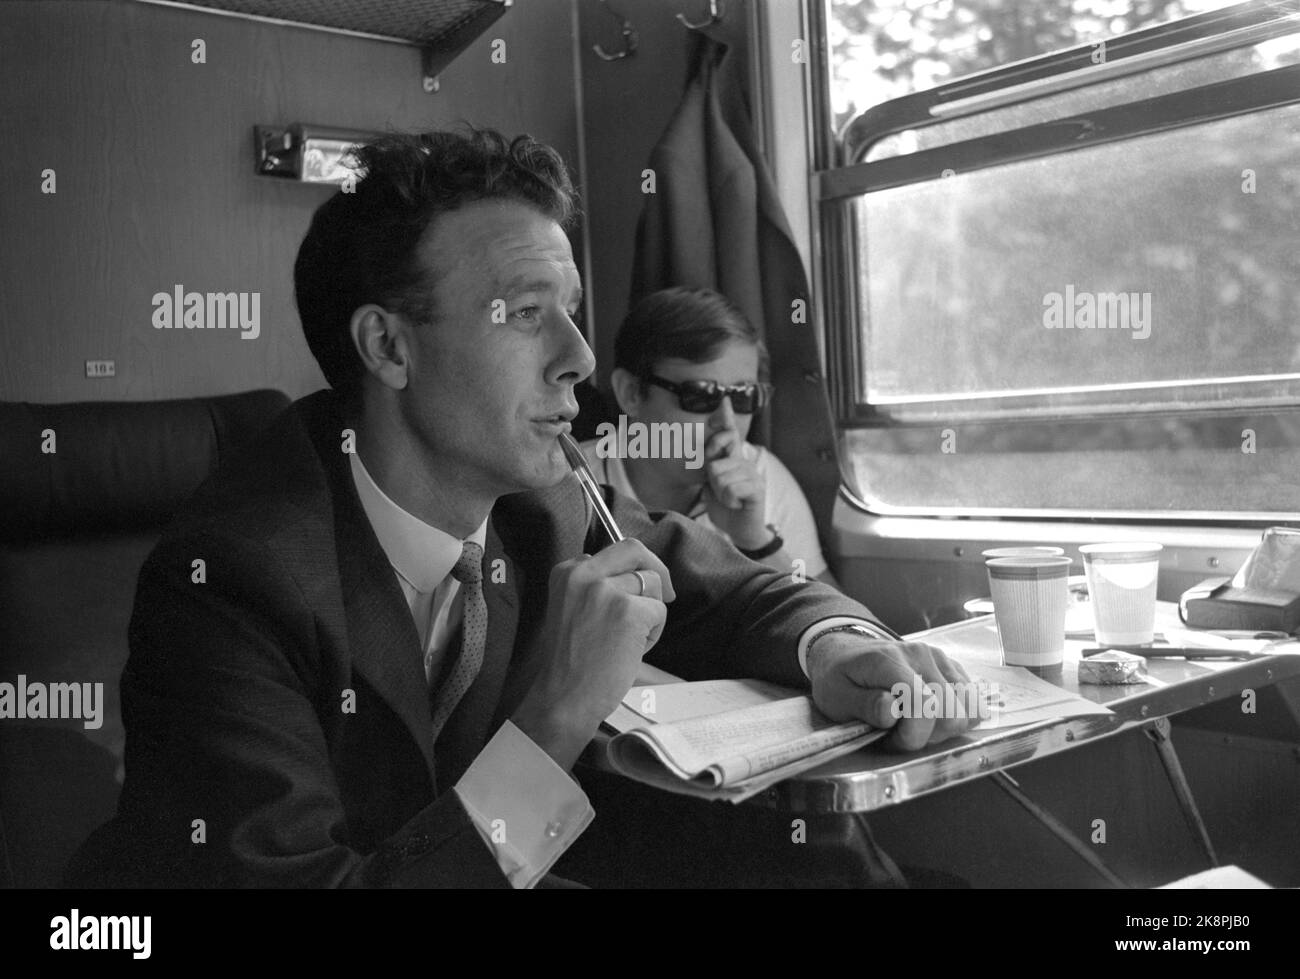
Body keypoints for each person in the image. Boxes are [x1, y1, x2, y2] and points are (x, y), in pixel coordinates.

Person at [68, 129, 974, 889]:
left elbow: (746, 594)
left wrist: (846, 649)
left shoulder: (546, 499)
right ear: (388, 345)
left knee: (814, 852)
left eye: (573, 311)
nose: (579, 356)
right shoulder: (227, 587)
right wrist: (559, 715)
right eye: (525, 313)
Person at [582, 287, 839, 587]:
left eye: (744, 396)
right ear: (631, 393)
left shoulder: (762, 476)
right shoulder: (569, 485)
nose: (727, 422)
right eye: (701, 395)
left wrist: (756, 541)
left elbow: (840, 625)